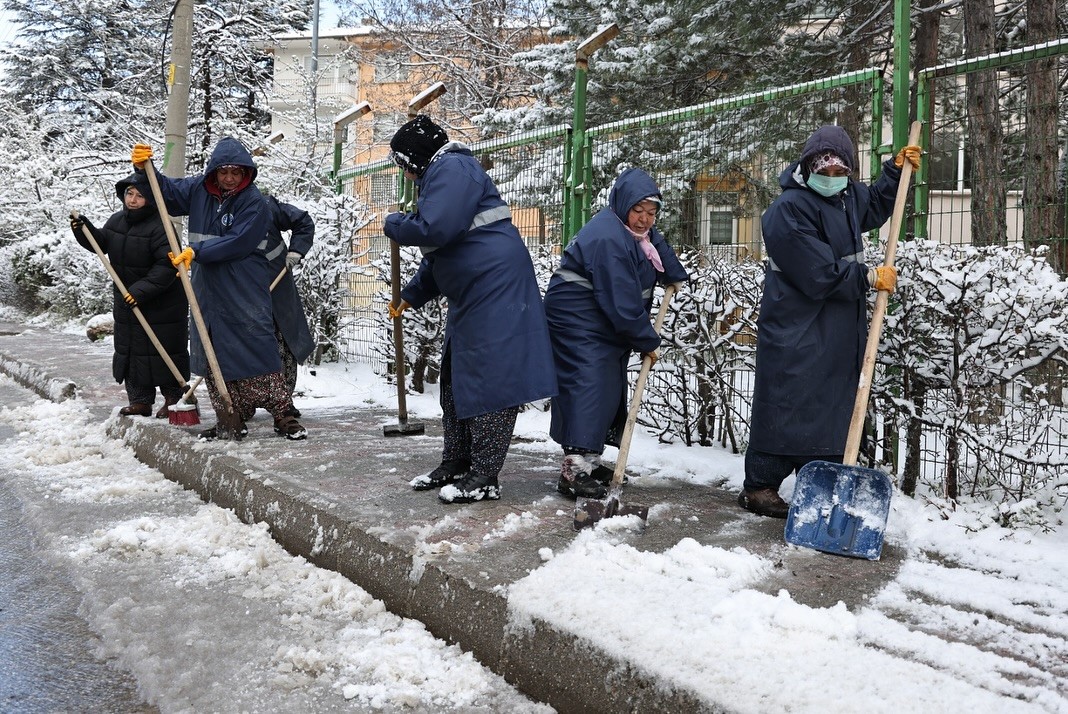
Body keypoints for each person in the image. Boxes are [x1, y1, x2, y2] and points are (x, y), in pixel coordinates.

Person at [738, 125, 921, 518]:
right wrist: (866, 277)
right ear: (807, 167)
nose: (833, 179)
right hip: (797, 321)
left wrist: (894, 172)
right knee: (789, 396)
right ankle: (760, 486)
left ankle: (821, 480)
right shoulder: (787, 210)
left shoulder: (846, 196)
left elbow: (871, 205)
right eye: (825, 171)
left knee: (831, 397)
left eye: (841, 173)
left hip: (837, 319)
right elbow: (815, 270)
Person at [384, 114, 557, 504]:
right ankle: (457, 461)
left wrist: (397, 224)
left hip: (496, 288)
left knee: (491, 381)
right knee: (457, 375)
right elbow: (442, 253)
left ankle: (485, 475)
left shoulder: (454, 167)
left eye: (403, 165)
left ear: (415, 158)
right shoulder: (441, 177)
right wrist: (412, 294)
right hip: (474, 291)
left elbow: (434, 229)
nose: (405, 175)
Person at [129, 138, 307, 441]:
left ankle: (283, 413)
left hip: (244, 284)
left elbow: (241, 240)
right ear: (214, 171)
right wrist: (144, 171)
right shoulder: (198, 190)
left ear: (246, 173)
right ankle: (230, 416)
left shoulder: (254, 201)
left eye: (236, 172)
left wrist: (197, 251)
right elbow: (165, 193)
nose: (229, 178)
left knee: (257, 342)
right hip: (207, 284)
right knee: (213, 345)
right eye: (224, 172)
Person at [543, 167, 689, 499]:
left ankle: (588, 460)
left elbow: (656, 243)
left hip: (599, 319)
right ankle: (574, 469)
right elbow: (622, 304)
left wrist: (674, 274)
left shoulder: (633, 233)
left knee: (607, 388)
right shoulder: (608, 238)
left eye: (652, 213)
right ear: (623, 205)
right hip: (576, 320)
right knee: (589, 384)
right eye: (638, 210)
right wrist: (648, 340)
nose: (644, 219)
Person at [70, 177, 189, 418]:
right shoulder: (117, 220)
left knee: (164, 350)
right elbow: (101, 243)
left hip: (161, 302)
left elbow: (167, 267)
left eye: (139, 195)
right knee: (132, 351)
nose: (133, 200)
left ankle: (173, 400)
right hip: (127, 298)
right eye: (129, 194)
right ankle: (140, 401)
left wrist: (139, 291)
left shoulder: (161, 226)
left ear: (150, 199)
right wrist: (84, 231)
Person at [262, 195, 316, 415]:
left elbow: (303, 222)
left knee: (281, 340)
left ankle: (282, 401)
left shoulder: (266, 206)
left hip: (276, 286)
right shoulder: (220, 211)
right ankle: (242, 403)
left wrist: (296, 250)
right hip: (239, 292)